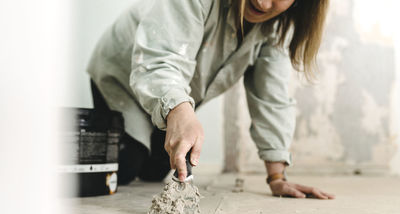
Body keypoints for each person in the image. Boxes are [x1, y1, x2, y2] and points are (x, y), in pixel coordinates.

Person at [87, 0, 335, 199]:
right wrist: (178, 110)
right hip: (123, 76)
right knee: (127, 166)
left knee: (155, 170)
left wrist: (277, 177)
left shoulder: (276, 28)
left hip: (170, 93)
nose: (262, 2)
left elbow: (271, 96)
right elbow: (162, 60)